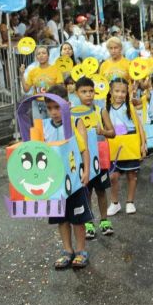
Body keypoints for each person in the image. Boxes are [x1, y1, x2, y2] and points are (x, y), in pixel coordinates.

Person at [42, 84, 93, 269]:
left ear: (67, 104)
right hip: (54, 182)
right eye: (49, 108)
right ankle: (67, 250)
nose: (54, 112)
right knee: (61, 218)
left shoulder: (75, 122)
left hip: (74, 180)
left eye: (57, 107)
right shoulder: (44, 126)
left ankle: (81, 251)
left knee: (77, 218)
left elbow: (84, 149)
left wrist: (87, 171)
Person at [72, 77, 116, 238]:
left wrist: (102, 132)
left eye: (91, 91)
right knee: (86, 192)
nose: (88, 95)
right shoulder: (72, 113)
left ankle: (104, 221)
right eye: (84, 92)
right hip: (82, 159)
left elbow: (112, 132)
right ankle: (89, 223)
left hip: (100, 158)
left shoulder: (100, 110)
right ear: (77, 93)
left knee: (101, 191)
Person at [106, 78, 146, 216]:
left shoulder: (129, 106)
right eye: (116, 91)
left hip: (130, 143)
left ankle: (130, 202)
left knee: (132, 175)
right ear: (110, 92)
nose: (120, 94)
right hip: (114, 144)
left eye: (123, 91)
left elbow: (139, 125)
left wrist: (143, 144)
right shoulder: (106, 108)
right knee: (113, 176)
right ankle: (115, 203)